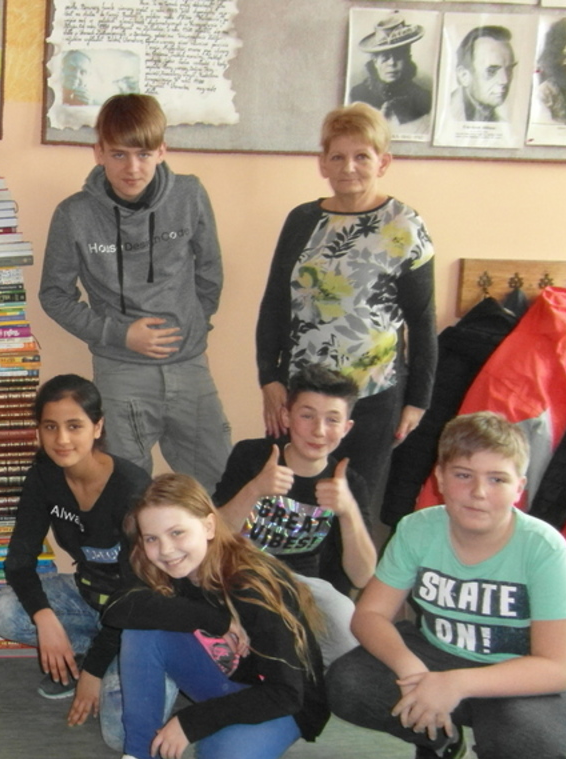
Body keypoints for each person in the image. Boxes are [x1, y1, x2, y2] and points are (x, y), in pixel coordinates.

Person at [327, 412, 566, 759]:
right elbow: (369, 615)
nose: (478, 492)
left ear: (519, 488)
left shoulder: (544, 548)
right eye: (463, 475)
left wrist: (456, 684)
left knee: (528, 746)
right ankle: (439, 742)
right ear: (440, 478)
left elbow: (557, 667)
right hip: (437, 654)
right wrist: (412, 672)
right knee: (348, 683)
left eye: (497, 479)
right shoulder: (417, 530)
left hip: (516, 675)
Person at [39, 93, 231, 489]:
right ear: (99, 153)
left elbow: (210, 270)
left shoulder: (189, 195)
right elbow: (54, 294)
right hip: (120, 370)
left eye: (143, 154)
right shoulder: (74, 214)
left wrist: (194, 325)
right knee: (126, 487)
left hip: (189, 366)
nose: (132, 168)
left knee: (216, 483)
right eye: (119, 154)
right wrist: (119, 334)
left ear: (162, 151)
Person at [256, 103, 436, 522]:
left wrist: (417, 402)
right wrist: (269, 378)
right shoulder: (303, 219)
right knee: (290, 505)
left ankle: (349, 568)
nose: (348, 167)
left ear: (383, 162)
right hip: (301, 394)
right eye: (337, 156)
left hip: (373, 396)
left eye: (362, 156)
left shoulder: (405, 226)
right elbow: (275, 303)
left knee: (355, 507)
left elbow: (422, 320)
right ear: (322, 162)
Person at [106, 473, 328, 759]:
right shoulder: (166, 568)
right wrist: (217, 621)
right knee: (141, 631)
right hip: (228, 681)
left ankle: (254, 744)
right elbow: (117, 609)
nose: (166, 550)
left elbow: (287, 694)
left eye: (177, 532)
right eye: (152, 539)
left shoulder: (251, 585)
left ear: (209, 526)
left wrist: (191, 721)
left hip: (285, 703)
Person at [0, 374, 152, 749]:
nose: (61, 439)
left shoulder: (131, 487)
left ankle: (111, 662)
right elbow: (19, 562)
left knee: (121, 735)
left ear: (98, 427)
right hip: (90, 597)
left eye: (74, 426)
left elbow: (138, 594)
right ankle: (88, 653)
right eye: (50, 426)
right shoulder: (44, 475)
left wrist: (92, 673)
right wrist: (45, 618)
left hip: (138, 617)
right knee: (5, 611)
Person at [213, 364, 375, 667]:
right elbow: (213, 535)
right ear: (286, 417)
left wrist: (348, 511)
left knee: (348, 634)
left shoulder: (349, 483)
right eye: (307, 415)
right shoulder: (252, 457)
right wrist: (254, 489)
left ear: (346, 427)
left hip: (302, 589)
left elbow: (362, 575)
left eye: (332, 420)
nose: (319, 431)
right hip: (240, 575)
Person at [348, 12, 433, 130]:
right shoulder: (358, 94)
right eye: (385, 57)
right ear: (375, 61)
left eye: (398, 56)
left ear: (407, 58)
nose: (392, 63)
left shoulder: (423, 97)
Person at [448, 26, 517, 122]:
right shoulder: (443, 116)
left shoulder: (503, 124)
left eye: (509, 69)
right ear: (464, 76)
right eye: (491, 71)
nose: (504, 80)